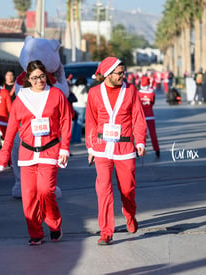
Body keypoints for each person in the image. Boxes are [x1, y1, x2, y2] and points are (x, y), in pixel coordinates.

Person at [0, 60, 72, 245]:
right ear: (27, 79)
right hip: (27, 154)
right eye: (35, 78)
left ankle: (54, 225)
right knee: (29, 196)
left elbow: (65, 121)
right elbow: (12, 128)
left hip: (50, 150)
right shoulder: (21, 98)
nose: (40, 80)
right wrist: (4, 153)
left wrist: (65, 148)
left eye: (42, 76)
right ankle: (36, 233)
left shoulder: (56, 94)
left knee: (46, 191)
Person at [85, 57, 147, 245]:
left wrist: (140, 142)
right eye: (119, 73)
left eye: (123, 72)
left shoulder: (130, 91)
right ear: (107, 74)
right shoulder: (94, 93)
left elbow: (138, 117)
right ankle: (106, 231)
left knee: (128, 189)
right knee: (103, 190)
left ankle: (129, 214)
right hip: (102, 149)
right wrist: (91, 147)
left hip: (125, 148)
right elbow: (91, 121)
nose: (123, 76)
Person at [138, 76, 160, 158]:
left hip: (141, 115)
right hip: (150, 114)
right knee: (153, 133)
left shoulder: (138, 93)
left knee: (139, 133)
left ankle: (138, 150)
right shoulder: (152, 93)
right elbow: (152, 102)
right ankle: (157, 150)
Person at [71, 75, 88, 143]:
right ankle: (77, 138)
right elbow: (86, 99)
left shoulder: (73, 87)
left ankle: (72, 138)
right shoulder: (84, 88)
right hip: (82, 106)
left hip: (74, 105)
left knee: (74, 123)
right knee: (80, 123)